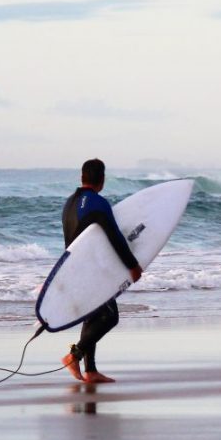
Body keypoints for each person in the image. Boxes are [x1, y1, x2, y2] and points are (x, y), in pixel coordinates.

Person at [60, 158, 143, 383]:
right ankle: (73, 355)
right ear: (102, 179)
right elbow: (115, 237)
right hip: (91, 272)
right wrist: (132, 265)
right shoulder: (98, 203)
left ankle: (91, 370)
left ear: (82, 177)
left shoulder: (69, 203)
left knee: (92, 317)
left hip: (72, 270)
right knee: (109, 316)